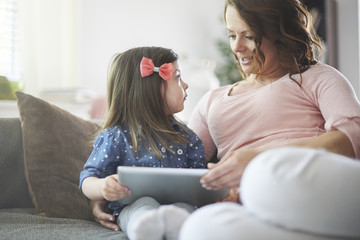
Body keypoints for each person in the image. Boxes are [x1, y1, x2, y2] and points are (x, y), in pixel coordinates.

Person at [91, 0, 360, 236]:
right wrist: (108, 193)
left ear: (280, 33)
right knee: (200, 228)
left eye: (249, 36)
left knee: (264, 176)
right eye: (232, 35)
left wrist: (257, 159)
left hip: (307, 183)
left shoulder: (316, 77)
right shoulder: (213, 101)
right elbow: (177, 169)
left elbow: (353, 137)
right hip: (256, 206)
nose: (237, 47)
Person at [79, 46, 206, 240]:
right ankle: (146, 230)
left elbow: (199, 183)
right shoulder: (116, 136)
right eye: (178, 77)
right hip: (133, 207)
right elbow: (88, 178)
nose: (186, 85)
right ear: (153, 88)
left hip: (178, 205)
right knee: (144, 205)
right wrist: (102, 187)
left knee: (184, 209)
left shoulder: (188, 138)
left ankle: (180, 230)